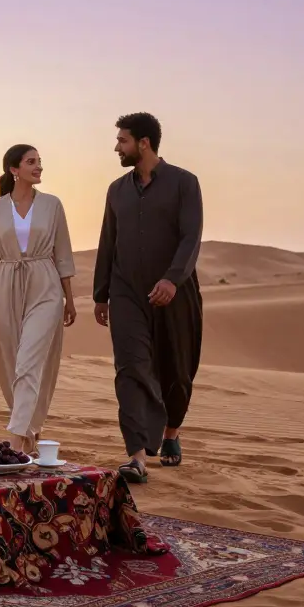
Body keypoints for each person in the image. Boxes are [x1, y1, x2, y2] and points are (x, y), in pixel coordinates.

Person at [93, 112, 204, 484]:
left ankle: (171, 432)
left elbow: (191, 238)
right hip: (127, 292)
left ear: (143, 143)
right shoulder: (116, 190)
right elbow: (109, 240)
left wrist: (173, 280)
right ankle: (137, 456)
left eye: (122, 141)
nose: (116, 147)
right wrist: (102, 294)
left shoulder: (184, 183)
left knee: (177, 372)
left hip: (175, 293)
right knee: (130, 368)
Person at [0, 144, 78, 456]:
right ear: (14, 170)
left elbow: (64, 254)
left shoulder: (52, 205)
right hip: (5, 286)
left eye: (40, 162)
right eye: (32, 162)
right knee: (10, 363)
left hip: (45, 285)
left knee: (30, 360)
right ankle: (31, 430)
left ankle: (16, 441)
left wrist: (70, 300)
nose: (39, 167)